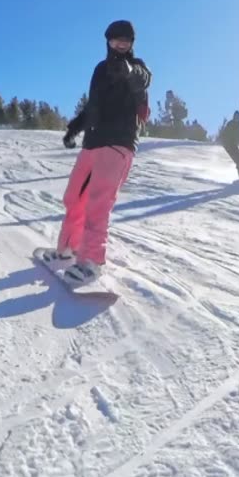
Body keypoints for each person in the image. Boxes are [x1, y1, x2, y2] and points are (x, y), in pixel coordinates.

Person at [38, 20, 151, 284]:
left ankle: (91, 262)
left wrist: (129, 71)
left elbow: (142, 80)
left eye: (126, 40)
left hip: (118, 143)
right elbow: (93, 106)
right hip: (93, 143)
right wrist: (73, 129)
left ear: (132, 43)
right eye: (116, 39)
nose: (121, 44)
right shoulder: (100, 69)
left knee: (98, 203)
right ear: (108, 41)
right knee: (74, 197)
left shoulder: (138, 67)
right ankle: (67, 251)